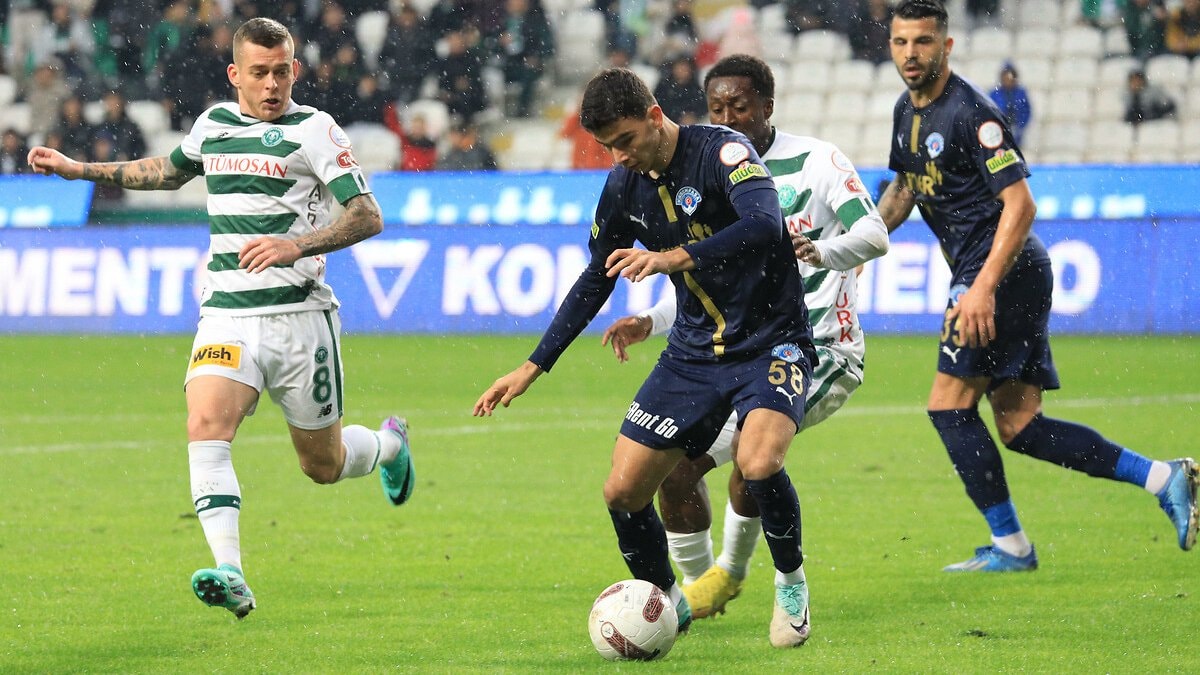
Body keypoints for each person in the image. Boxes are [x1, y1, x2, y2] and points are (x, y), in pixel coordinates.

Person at [27, 17, 417, 619]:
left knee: (323, 465)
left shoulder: (315, 130)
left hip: (300, 318)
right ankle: (231, 572)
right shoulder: (213, 125)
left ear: (295, 69)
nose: (272, 85)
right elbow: (166, 171)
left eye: (281, 72)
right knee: (206, 424)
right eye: (259, 73)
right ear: (236, 74)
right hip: (227, 314)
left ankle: (390, 445)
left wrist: (296, 245)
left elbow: (367, 216)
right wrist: (79, 170)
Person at [473, 67, 819, 648]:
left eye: (627, 140)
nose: (620, 156)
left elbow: (765, 225)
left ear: (655, 116)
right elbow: (596, 277)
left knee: (759, 463)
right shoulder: (622, 185)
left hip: (770, 341)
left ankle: (791, 583)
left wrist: (676, 256)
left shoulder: (724, 152)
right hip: (692, 354)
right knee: (622, 492)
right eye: (609, 146)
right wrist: (533, 365)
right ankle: (668, 601)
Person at [877, 0, 1197, 573]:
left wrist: (981, 288)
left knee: (949, 406)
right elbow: (905, 187)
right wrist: (862, 244)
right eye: (901, 42)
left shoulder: (972, 114)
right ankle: (1162, 477)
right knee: (1019, 425)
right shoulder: (906, 110)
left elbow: (1021, 205)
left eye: (922, 41)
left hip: (1000, 272)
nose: (911, 54)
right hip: (1004, 273)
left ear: (946, 46)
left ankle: (1011, 547)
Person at [601, 54, 890, 620]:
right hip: (734, 349)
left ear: (767, 106)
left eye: (740, 106)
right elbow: (707, 282)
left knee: (753, 462)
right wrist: (651, 320)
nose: (729, 118)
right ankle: (692, 595)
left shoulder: (818, 161)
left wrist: (820, 251)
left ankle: (738, 575)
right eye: (717, 108)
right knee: (675, 473)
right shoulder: (706, 168)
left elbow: (875, 234)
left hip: (818, 346)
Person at [988, 63, 1031, 145]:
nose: (1008, 81)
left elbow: (1026, 112)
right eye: (1006, 78)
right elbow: (990, 112)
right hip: (998, 132)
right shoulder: (995, 94)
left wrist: (1020, 127)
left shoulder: (1021, 93)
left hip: (1016, 131)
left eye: (1010, 79)